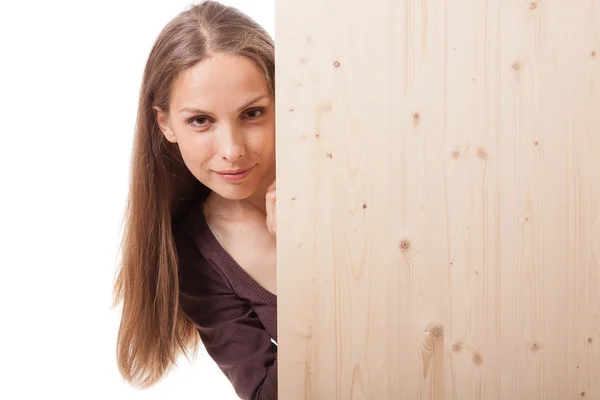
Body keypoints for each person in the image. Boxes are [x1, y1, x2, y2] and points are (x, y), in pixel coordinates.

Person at [112, 1, 278, 399]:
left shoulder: (354, 183)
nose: (232, 150)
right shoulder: (196, 256)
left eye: (252, 113)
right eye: (201, 120)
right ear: (165, 123)